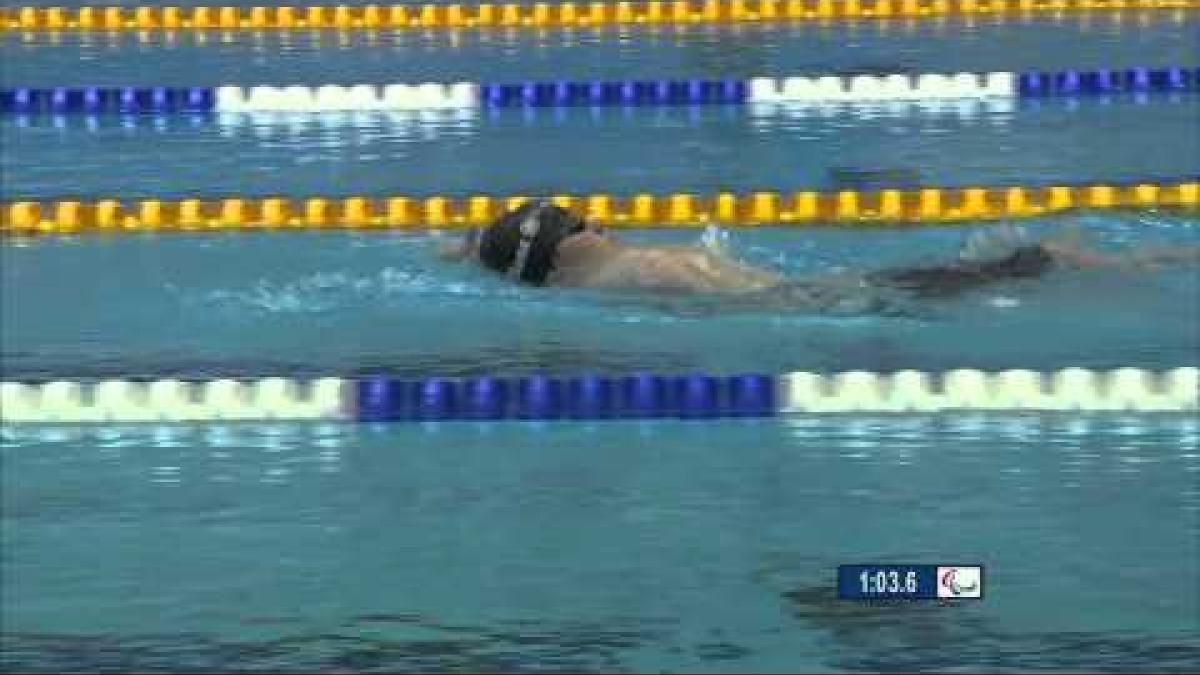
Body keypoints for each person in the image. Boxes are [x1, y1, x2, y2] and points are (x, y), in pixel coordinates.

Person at [440, 200, 1198, 311]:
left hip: (841, 293)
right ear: (564, 249)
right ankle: (1166, 261)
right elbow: (768, 300)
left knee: (1032, 257)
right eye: (579, 219)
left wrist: (465, 248)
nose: (598, 218)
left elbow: (503, 253)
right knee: (1044, 254)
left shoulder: (605, 279)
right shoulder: (648, 268)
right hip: (847, 293)